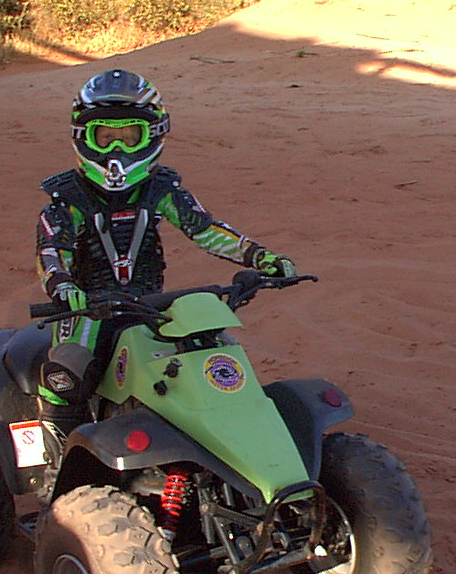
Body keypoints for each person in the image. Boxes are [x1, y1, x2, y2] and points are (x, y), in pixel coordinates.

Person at [35, 68, 297, 467]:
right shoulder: (66, 198)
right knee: (66, 372)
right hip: (86, 306)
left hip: (151, 301)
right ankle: (53, 459)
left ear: (152, 136)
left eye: (130, 137)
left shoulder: (162, 189)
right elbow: (53, 249)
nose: (117, 152)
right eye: (105, 137)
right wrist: (62, 286)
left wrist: (258, 257)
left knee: (210, 351)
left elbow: (204, 228)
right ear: (83, 137)